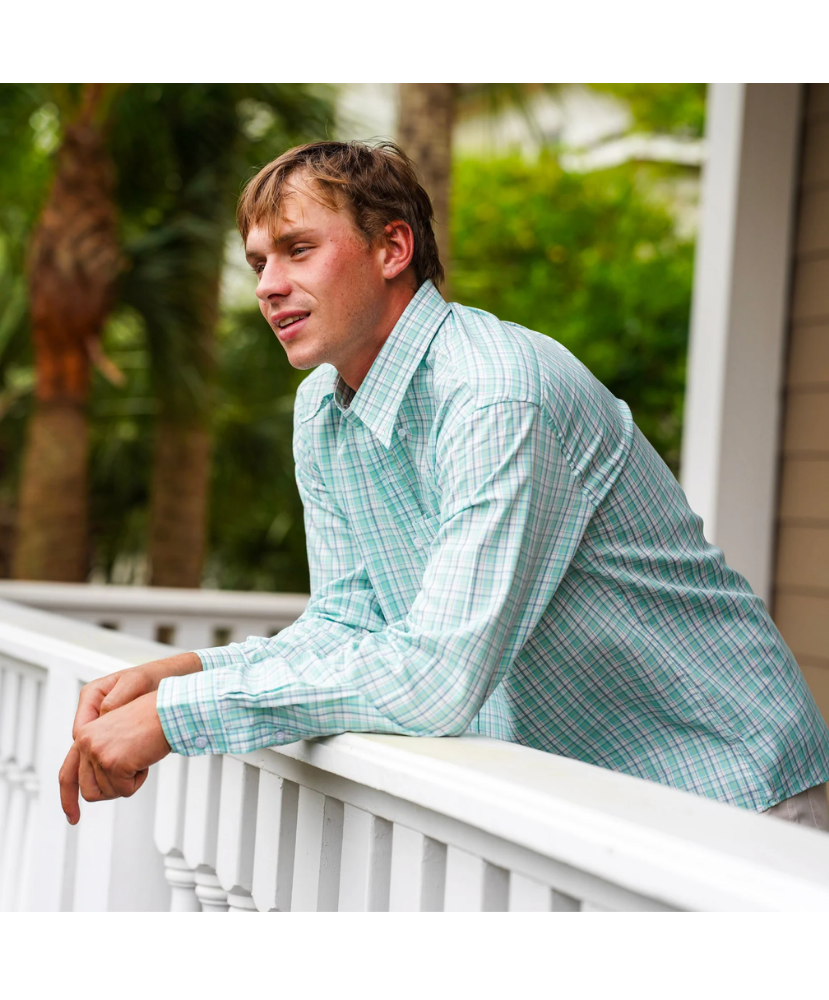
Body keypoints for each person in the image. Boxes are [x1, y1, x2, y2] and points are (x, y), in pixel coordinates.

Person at [60, 140, 829, 831]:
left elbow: (438, 676)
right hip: (596, 805)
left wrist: (180, 717)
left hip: (731, 793)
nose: (268, 285)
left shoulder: (495, 392)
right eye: (259, 262)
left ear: (392, 248)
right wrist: (191, 671)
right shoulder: (323, 408)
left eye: (297, 250)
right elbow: (347, 623)